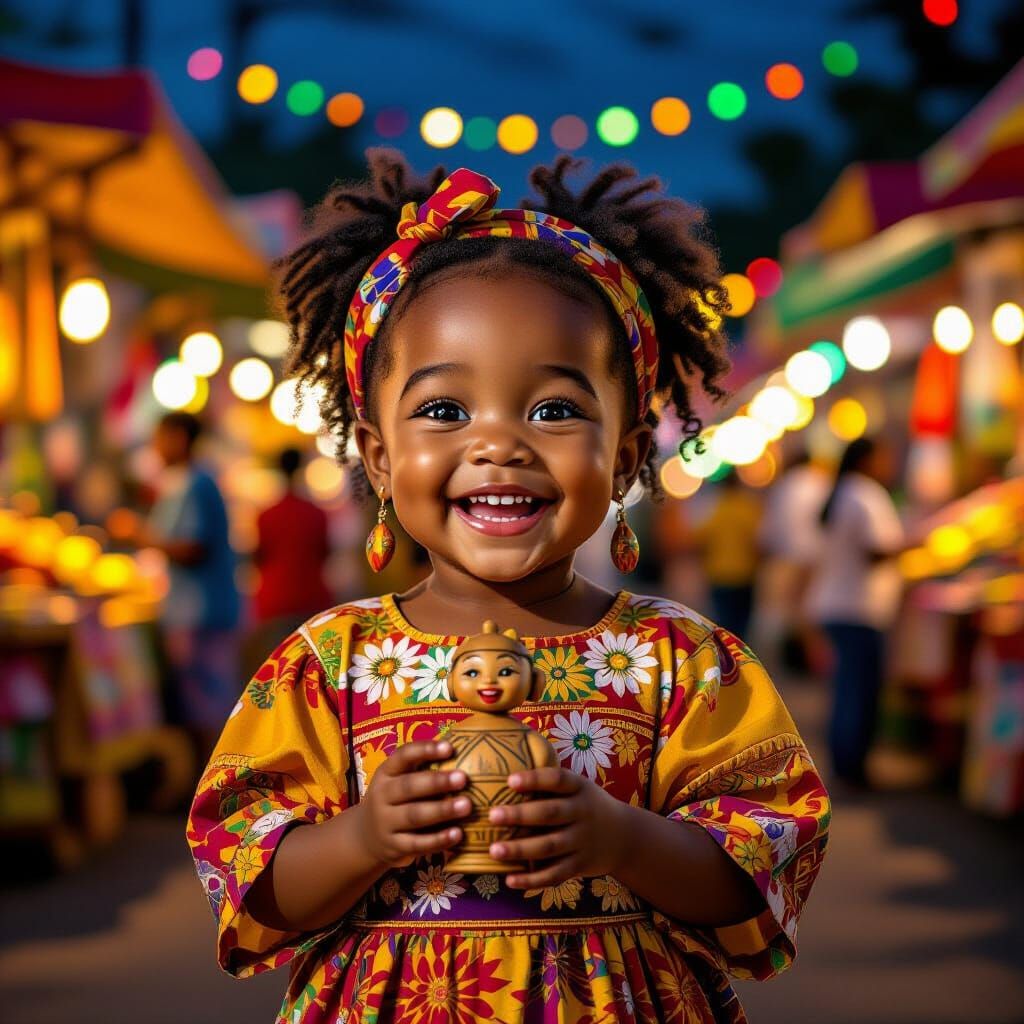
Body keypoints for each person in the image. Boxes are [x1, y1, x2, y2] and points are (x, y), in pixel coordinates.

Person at [186, 151, 830, 1023]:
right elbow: (256, 895)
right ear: (378, 457)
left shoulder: (682, 661)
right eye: (445, 411)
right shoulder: (325, 664)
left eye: (555, 409)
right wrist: (360, 839)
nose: (499, 446)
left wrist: (621, 837)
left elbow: (756, 880)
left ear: (629, 455)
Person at [129, 411, 241, 763]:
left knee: (208, 706)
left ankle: (221, 788)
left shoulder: (196, 484)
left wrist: (140, 535)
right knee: (202, 703)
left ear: (178, 437)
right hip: (193, 611)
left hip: (200, 613)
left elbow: (193, 549)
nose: (155, 446)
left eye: (160, 437)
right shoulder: (187, 482)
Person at [805, 437, 904, 787]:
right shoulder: (864, 494)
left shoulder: (841, 493)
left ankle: (845, 763)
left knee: (847, 687)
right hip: (859, 607)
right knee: (859, 692)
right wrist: (917, 542)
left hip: (837, 604)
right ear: (867, 459)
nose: (889, 463)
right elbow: (877, 550)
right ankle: (852, 768)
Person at [246, 447, 334, 675]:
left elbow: (259, 556)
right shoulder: (316, 513)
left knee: (275, 671)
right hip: (311, 598)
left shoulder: (267, 515)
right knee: (312, 670)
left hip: (275, 600)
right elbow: (324, 553)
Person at [692, 472, 763, 639]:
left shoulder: (718, 510)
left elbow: (700, 537)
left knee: (724, 622)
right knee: (743, 621)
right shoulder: (748, 508)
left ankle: (726, 657)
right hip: (745, 573)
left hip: (719, 573)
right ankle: (741, 658)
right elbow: (759, 539)